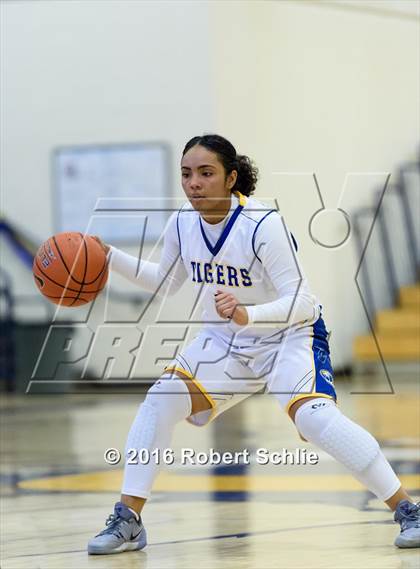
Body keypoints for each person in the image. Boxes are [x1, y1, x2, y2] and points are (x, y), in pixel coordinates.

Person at [88, 134, 419, 554]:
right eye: (186, 174)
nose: (194, 183)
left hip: (289, 337)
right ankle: (129, 520)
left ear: (231, 178)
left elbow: (301, 302)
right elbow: (165, 282)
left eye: (206, 173)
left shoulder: (264, 225)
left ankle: (408, 509)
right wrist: (108, 255)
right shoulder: (182, 223)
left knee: (316, 420)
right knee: (160, 400)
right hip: (226, 342)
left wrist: (249, 314)